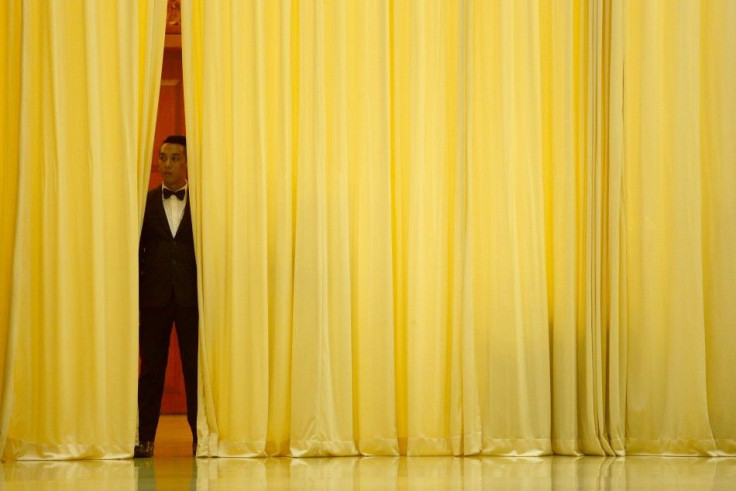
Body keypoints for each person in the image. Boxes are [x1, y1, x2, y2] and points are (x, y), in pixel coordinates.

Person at [135, 135, 198, 458]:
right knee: (151, 370)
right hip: (154, 298)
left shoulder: (203, 203)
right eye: (163, 158)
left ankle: (200, 438)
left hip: (193, 299)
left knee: (195, 369)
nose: (167, 164)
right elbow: (137, 251)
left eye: (175, 158)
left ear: (187, 163)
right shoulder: (143, 202)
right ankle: (144, 438)